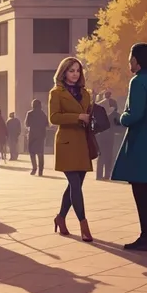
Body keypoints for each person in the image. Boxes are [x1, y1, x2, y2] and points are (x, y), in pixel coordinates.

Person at [49, 57, 94, 242]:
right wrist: (77, 117)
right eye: (71, 70)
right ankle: (84, 225)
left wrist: (91, 118)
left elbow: (88, 115)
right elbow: (54, 118)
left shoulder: (86, 93)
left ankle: (60, 217)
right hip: (66, 144)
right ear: (63, 72)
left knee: (74, 186)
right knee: (75, 185)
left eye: (77, 70)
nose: (75, 74)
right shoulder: (56, 92)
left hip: (82, 143)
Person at [112, 43, 147, 251]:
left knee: (142, 193)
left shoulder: (138, 82)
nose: (129, 61)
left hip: (142, 143)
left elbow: (135, 114)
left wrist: (121, 117)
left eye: (130, 57)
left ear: (137, 60)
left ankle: (146, 237)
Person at [95, 91, 117, 181]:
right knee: (109, 155)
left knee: (100, 155)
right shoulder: (114, 113)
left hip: (100, 135)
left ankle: (99, 175)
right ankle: (107, 174)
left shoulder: (100, 108)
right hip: (110, 135)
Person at [25, 99, 49, 176]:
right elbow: (47, 124)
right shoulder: (43, 114)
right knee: (40, 153)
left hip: (32, 135)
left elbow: (27, 124)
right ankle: (40, 171)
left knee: (32, 152)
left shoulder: (30, 113)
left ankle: (34, 168)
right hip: (41, 135)